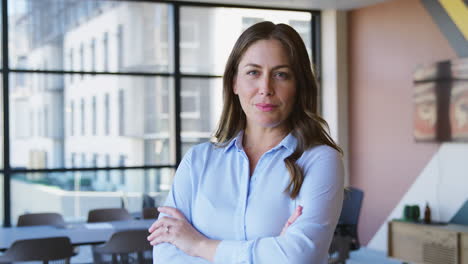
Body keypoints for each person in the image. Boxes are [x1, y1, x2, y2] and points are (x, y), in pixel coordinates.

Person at [147, 21, 344, 264]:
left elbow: (297, 258)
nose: (266, 88)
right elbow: (166, 254)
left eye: (281, 75)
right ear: (234, 83)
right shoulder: (198, 160)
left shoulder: (320, 160)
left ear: (298, 85)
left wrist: (197, 244)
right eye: (253, 72)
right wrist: (270, 251)